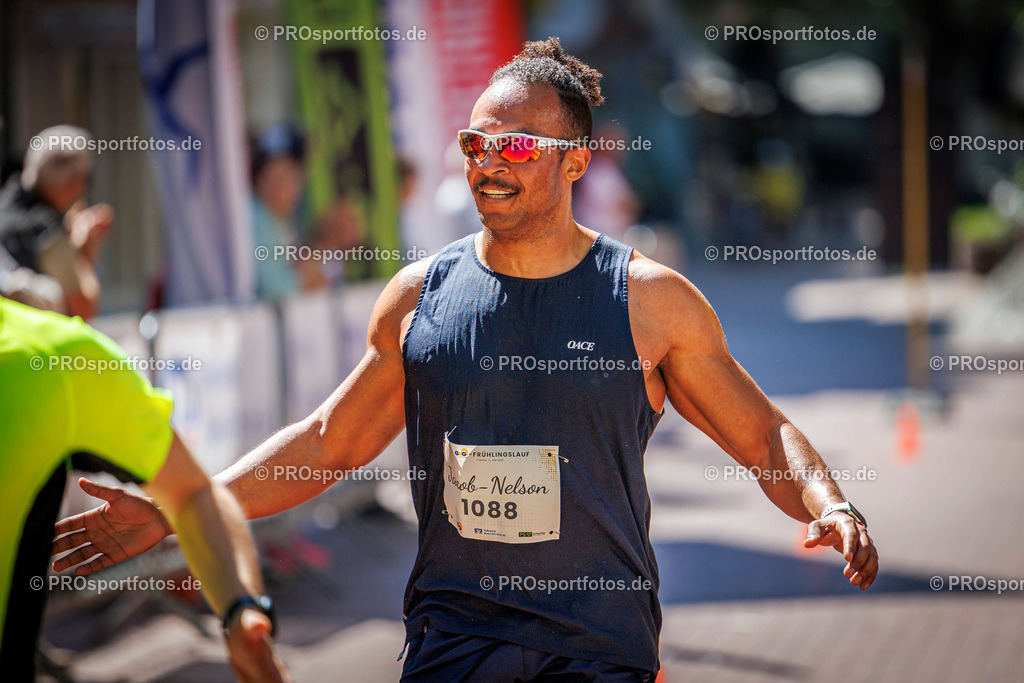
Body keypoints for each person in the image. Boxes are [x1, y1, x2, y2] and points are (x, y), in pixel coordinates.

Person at [55, 37, 878, 681]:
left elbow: (762, 435)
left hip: (600, 645)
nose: (489, 162)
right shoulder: (418, 295)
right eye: (475, 142)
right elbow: (328, 442)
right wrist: (182, 509)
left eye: (517, 147)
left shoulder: (648, 299)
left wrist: (829, 501)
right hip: (455, 637)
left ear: (575, 162)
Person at [0, 295, 290, 681]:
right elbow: (192, 494)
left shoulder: (57, 360)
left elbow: (192, 493)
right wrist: (241, 607)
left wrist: (242, 610)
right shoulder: (56, 356)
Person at [0, 126, 113, 319]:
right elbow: (84, 310)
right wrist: (85, 249)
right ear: (72, 181)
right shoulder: (46, 230)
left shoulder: (6, 204)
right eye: (84, 179)